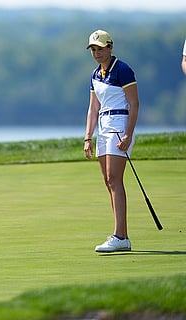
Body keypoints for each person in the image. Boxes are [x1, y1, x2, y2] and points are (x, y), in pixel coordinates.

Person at [83, 30, 139, 253]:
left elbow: (134, 103)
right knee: (108, 180)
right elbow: (93, 108)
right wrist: (88, 136)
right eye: (93, 50)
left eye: (100, 48)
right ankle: (120, 235)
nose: (96, 53)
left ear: (110, 47)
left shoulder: (122, 70)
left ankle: (120, 236)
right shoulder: (95, 74)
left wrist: (128, 134)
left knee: (115, 179)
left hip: (119, 124)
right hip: (103, 127)